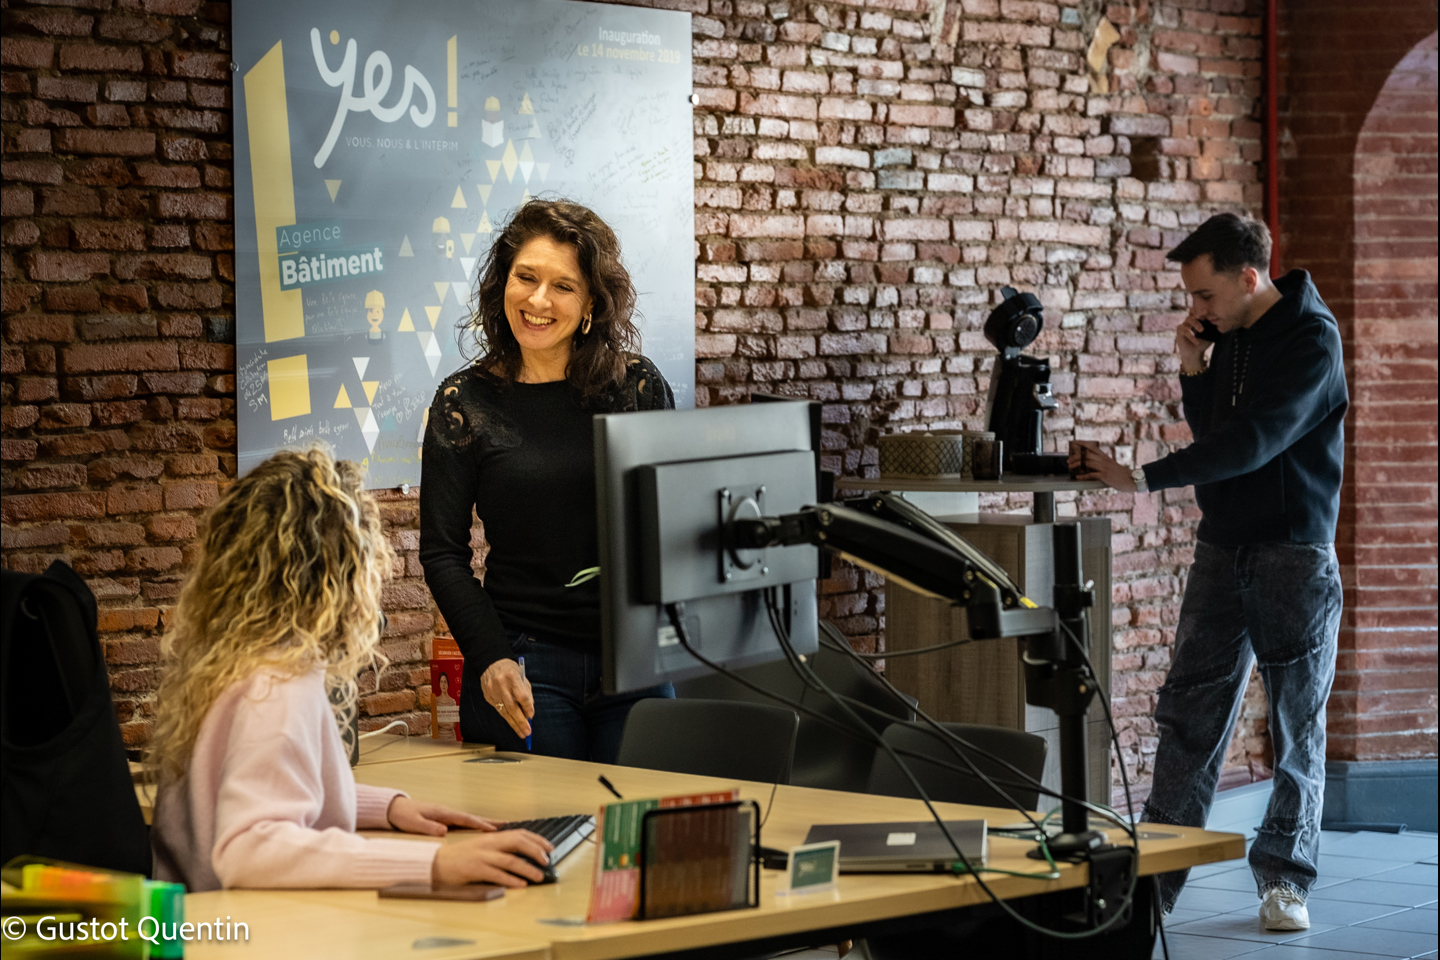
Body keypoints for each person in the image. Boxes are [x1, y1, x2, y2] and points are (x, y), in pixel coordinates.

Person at [1070, 213, 1347, 931]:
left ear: (1248, 277)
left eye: (1203, 294)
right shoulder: (1229, 336)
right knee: (1188, 719)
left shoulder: (1312, 340)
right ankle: (1152, 890)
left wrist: (1141, 477)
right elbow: (1217, 435)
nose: (1195, 308)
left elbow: (1254, 443)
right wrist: (1194, 367)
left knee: (1296, 726)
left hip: (1292, 554)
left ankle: (1285, 881)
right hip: (1221, 547)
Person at [149, 448, 552, 891]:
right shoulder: (279, 685)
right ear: (343, 572)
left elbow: (264, 786)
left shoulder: (231, 661)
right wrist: (434, 863)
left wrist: (388, 808)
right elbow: (251, 849)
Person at [420, 198, 675, 763]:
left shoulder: (637, 388)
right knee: (553, 820)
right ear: (502, 286)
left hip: (632, 659)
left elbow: (669, 523)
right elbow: (442, 552)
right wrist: (490, 657)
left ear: (591, 303)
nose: (538, 300)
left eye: (563, 286)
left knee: (645, 816)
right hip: (523, 662)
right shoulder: (465, 402)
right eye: (526, 278)